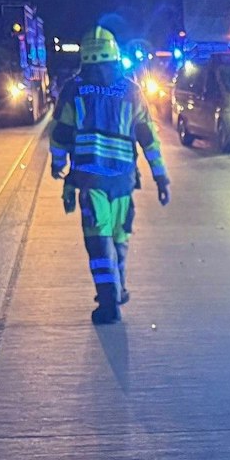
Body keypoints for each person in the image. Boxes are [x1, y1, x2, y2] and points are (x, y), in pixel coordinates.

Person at [49, 27, 170, 325]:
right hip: (123, 181)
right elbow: (148, 138)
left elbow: (61, 133)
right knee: (119, 238)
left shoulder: (74, 89)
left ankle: (108, 303)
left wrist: (58, 164)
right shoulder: (131, 90)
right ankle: (120, 288)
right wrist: (160, 177)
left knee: (98, 242)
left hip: (91, 181)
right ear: (114, 54)